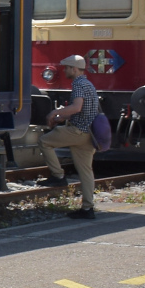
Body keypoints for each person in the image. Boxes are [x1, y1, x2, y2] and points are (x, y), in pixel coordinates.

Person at [38, 54, 100, 219]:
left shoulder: (78, 84)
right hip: (89, 134)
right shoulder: (89, 84)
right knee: (86, 172)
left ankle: (58, 176)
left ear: (74, 69)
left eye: (66, 68)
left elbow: (77, 107)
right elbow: (84, 110)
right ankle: (88, 208)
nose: (64, 70)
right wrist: (62, 117)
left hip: (77, 132)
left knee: (44, 142)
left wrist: (54, 113)